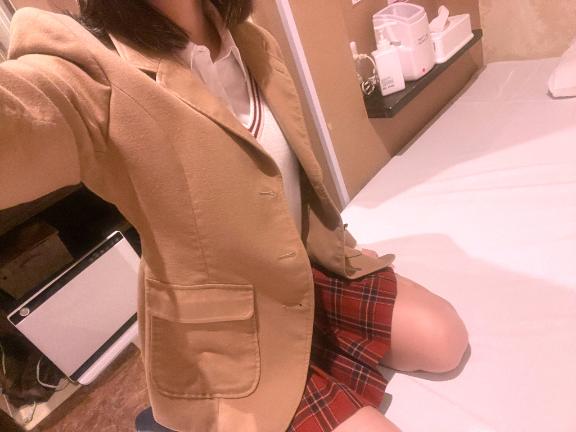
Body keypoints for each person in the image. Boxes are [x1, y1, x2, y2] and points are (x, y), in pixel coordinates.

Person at [0, 1, 469, 431]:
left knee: (444, 340)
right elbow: (25, 115)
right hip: (228, 333)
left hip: (301, 271)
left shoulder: (248, 38)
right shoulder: (90, 73)